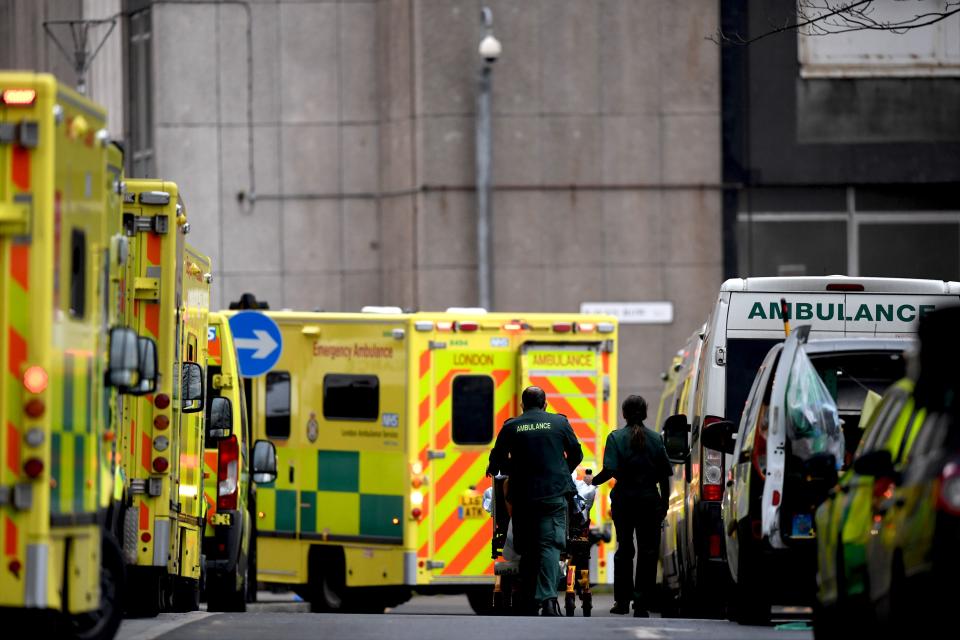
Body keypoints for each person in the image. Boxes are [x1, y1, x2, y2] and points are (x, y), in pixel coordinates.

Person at [487, 386, 583, 616]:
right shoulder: (560, 424)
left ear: (522, 405)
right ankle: (548, 599)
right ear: (545, 404)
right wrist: (560, 472)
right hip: (553, 495)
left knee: (527, 546)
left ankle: (528, 601)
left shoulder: (511, 426)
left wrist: (515, 469)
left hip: (522, 496)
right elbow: (576, 454)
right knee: (549, 546)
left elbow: (497, 461)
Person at [591, 395, 672, 617]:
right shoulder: (656, 439)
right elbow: (665, 476)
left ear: (624, 414)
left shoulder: (616, 438)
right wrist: (663, 504)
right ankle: (641, 604)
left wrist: (592, 482)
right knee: (648, 551)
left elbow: (609, 471)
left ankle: (622, 602)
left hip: (624, 501)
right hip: (649, 501)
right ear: (645, 413)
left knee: (625, 549)